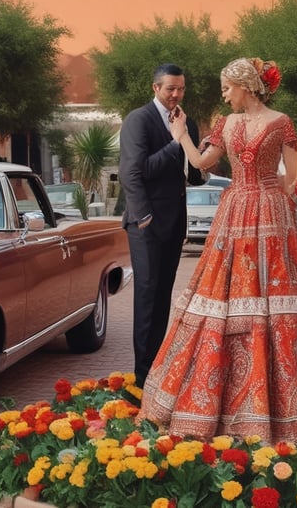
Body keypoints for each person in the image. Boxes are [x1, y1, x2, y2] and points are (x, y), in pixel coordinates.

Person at [139, 57, 297, 444]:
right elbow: (291, 180)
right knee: (272, 292)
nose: (224, 94)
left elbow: (199, 162)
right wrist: (265, 184)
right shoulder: (280, 122)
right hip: (270, 209)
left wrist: (181, 135)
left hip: (236, 209)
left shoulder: (227, 125)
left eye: (227, 87)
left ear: (245, 85)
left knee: (228, 293)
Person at [119, 63, 205, 389]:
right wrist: (175, 142)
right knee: (146, 296)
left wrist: (202, 149)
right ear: (155, 88)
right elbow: (135, 171)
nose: (176, 95)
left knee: (163, 297)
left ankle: (156, 368)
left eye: (181, 89)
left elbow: (194, 174)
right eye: (170, 89)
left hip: (174, 225)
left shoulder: (187, 122)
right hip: (146, 224)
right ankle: (142, 379)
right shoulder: (138, 120)